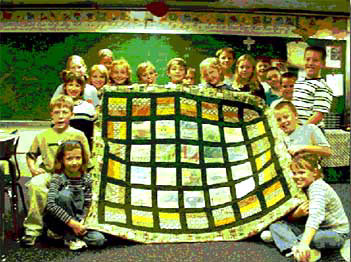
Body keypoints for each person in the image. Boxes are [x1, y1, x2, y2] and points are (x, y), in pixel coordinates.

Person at [21, 95, 91, 246]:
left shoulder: (78, 135)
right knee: (35, 185)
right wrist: (33, 168)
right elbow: (31, 155)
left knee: (70, 194)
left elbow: (86, 160)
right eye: (56, 112)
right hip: (49, 172)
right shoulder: (42, 136)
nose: (60, 116)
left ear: (72, 115)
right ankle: (33, 230)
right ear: (51, 115)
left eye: (64, 112)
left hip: (70, 174)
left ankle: (63, 228)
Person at [268, 153, 349, 262]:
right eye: (294, 173)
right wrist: (295, 215)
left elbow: (315, 217)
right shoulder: (302, 186)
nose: (297, 177)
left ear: (315, 172)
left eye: (302, 172)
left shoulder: (318, 187)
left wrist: (305, 243)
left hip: (335, 232)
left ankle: (292, 246)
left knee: (316, 238)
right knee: (275, 226)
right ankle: (296, 249)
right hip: (312, 227)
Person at [44, 140, 106, 250]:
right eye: (69, 159)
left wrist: (82, 222)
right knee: (64, 196)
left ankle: (67, 235)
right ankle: (70, 237)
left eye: (78, 158)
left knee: (99, 240)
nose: (74, 162)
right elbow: (50, 205)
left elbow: (87, 203)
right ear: (61, 160)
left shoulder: (86, 179)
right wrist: (73, 224)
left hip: (78, 218)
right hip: (61, 220)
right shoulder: (57, 178)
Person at [292, 46, 333, 130]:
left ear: (323, 63)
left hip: (310, 132)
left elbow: (318, 115)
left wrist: (300, 131)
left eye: (315, 60)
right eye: (307, 59)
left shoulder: (323, 87)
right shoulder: (297, 82)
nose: (310, 63)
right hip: (295, 130)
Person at [61, 70, 96, 149]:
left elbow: (92, 133)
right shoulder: (60, 106)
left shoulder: (88, 107)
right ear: (65, 87)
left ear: (82, 89)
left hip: (83, 150)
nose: (73, 89)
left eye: (77, 85)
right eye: (70, 85)